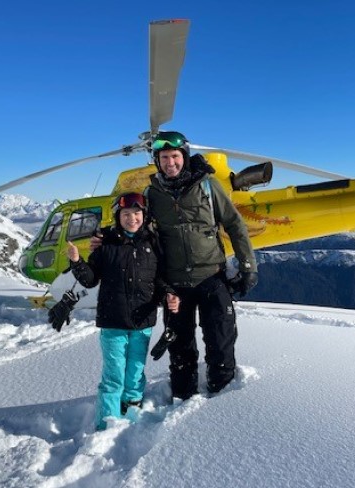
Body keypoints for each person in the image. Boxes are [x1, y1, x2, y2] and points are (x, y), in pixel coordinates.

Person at [95, 131, 258, 400]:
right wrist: (108, 238)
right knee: (180, 346)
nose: (170, 163)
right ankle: (183, 395)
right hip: (175, 286)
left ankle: (225, 399)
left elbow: (235, 224)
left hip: (212, 276)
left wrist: (248, 265)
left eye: (175, 156)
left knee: (221, 340)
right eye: (164, 157)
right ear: (157, 161)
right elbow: (135, 227)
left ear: (184, 157)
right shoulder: (151, 193)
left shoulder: (208, 185)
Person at [66, 192, 180, 430]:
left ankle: (131, 415)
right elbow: (90, 280)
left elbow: (160, 278)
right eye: (126, 214)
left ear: (144, 215)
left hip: (143, 321)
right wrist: (77, 262)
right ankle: (106, 423)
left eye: (137, 214)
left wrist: (169, 293)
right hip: (113, 322)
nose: (132, 219)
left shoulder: (153, 243)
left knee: (136, 372)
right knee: (113, 375)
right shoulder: (106, 244)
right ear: (118, 216)